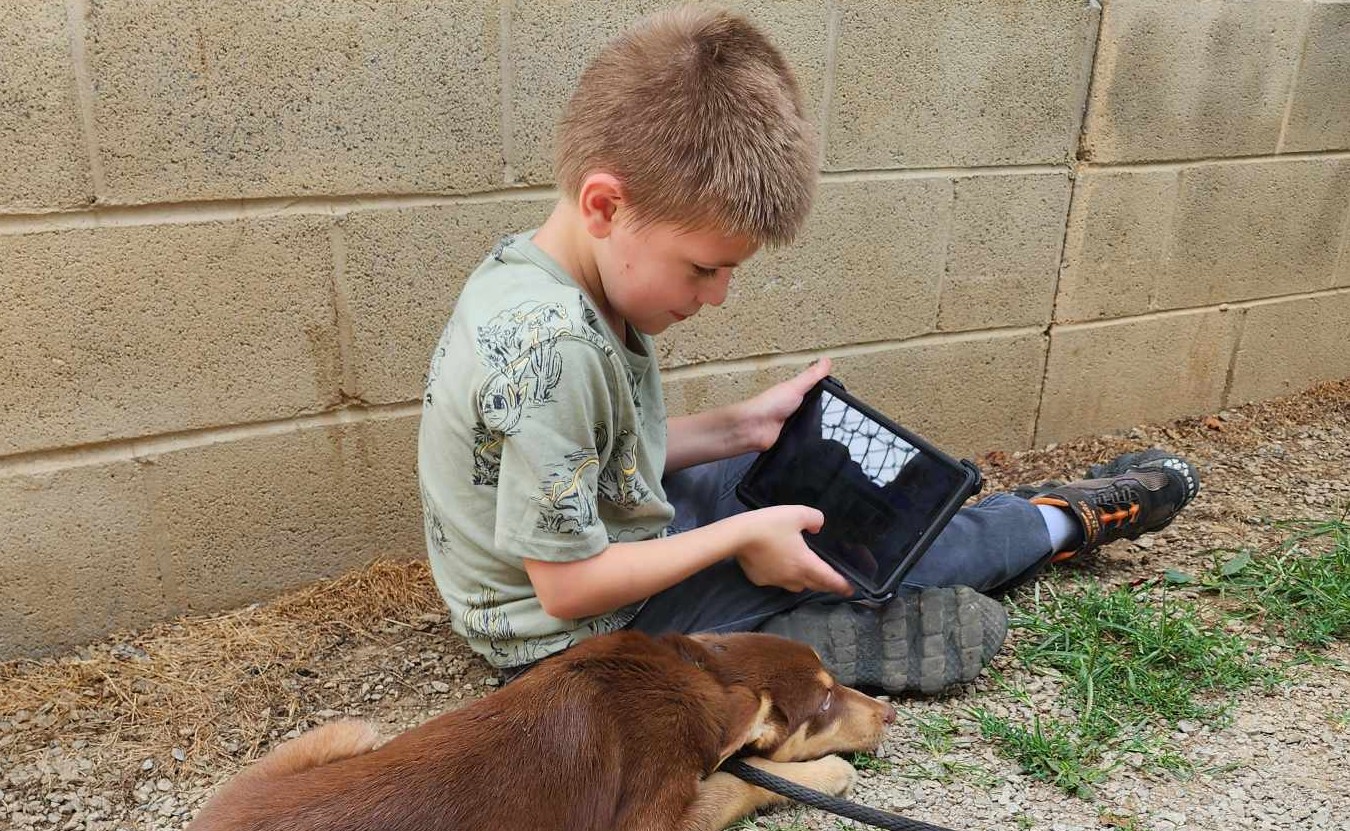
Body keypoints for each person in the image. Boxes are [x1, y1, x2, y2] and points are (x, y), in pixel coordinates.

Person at [417, 6, 1199, 695]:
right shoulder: (555, 348)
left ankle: (813, 606)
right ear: (604, 205)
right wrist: (738, 538)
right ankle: (1055, 523)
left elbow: (600, 457)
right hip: (573, 639)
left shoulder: (541, 270)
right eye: (704, 268)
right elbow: (568, 588)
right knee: (871, 559)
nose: (717, 295)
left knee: (805, 485)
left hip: (608, 544)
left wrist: (740, 427)